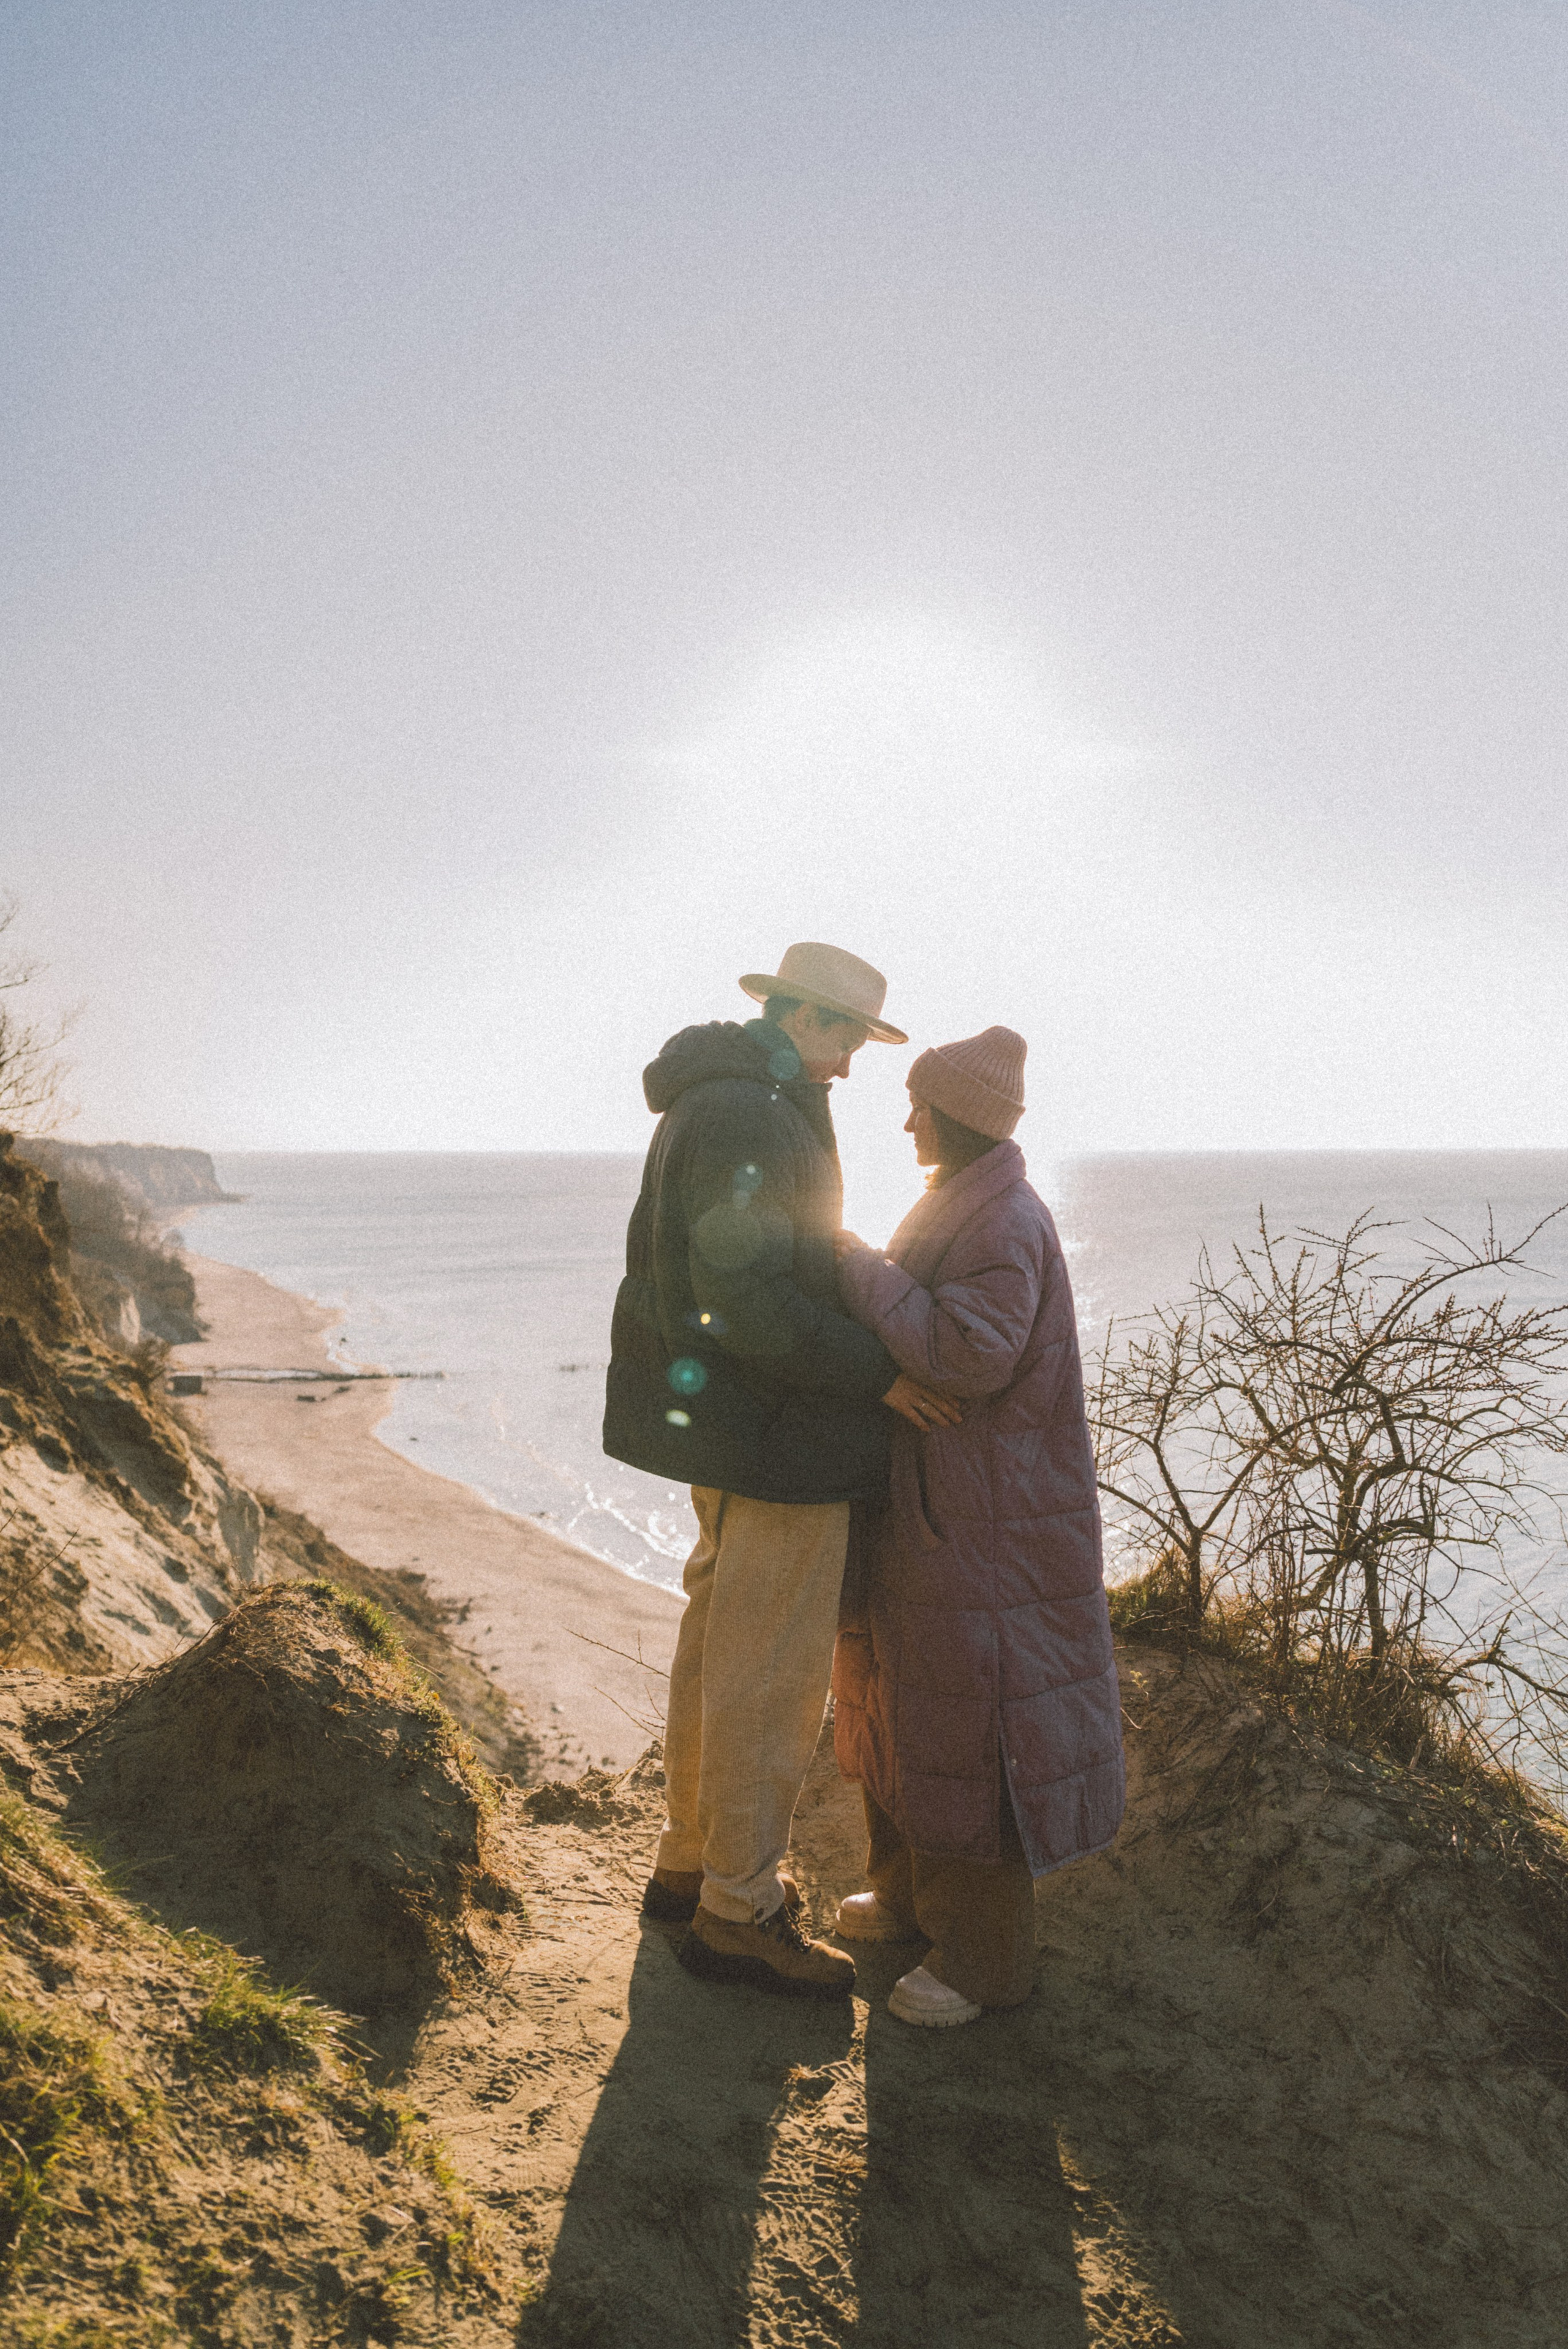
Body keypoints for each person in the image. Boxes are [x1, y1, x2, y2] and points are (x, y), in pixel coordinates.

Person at [603, 942, 959, 2000]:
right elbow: (746, 1300)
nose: (852, 1060)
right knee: (770, 1677)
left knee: (718, 1645)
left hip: (731, 1428)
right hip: (777, 1436)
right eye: (845, 1033)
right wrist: (878, 1373)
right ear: (800, 1016)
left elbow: (759, 1261)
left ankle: (690, 1863)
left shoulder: (729, 1097)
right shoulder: (753, 1113)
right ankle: (738, 1912)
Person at [830, 1025, 1125, 2027]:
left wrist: (858, 1265)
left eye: (921, 1101)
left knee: (972, 1732)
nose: (907, 1117)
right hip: (944, 1519)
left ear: (961, 1113)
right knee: (906, 1716)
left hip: (985, 1534)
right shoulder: (968, 1202)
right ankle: (914, 1907)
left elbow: (966, 1355)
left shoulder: (1001, 1221)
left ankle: (985, 1964)